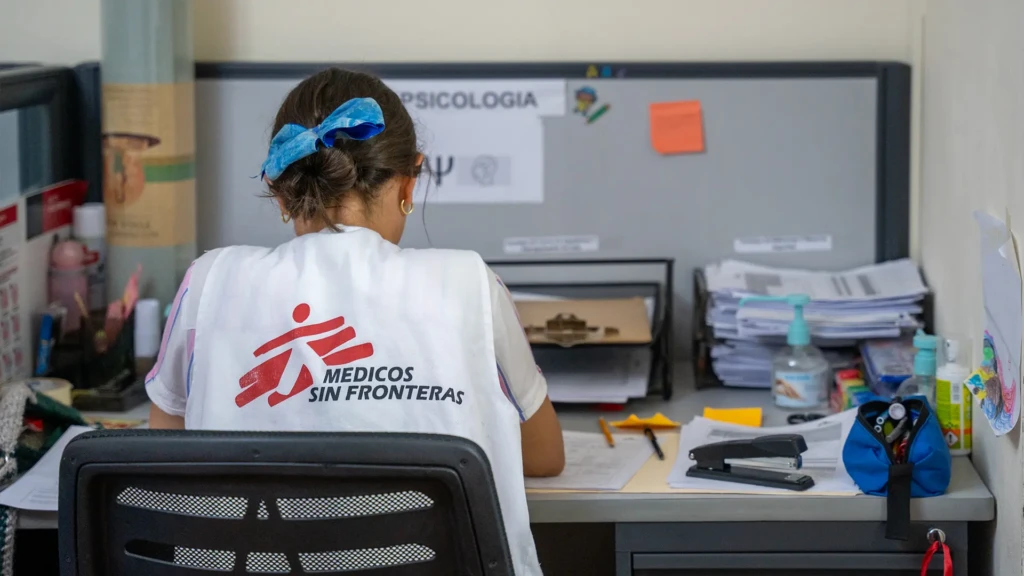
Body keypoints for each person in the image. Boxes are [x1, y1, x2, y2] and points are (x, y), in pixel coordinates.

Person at [145, 67, 564, 575]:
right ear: (409, 182)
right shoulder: (469, 283)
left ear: (280, 193)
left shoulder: (208, 283)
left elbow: (165, 457)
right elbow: (544, 456)